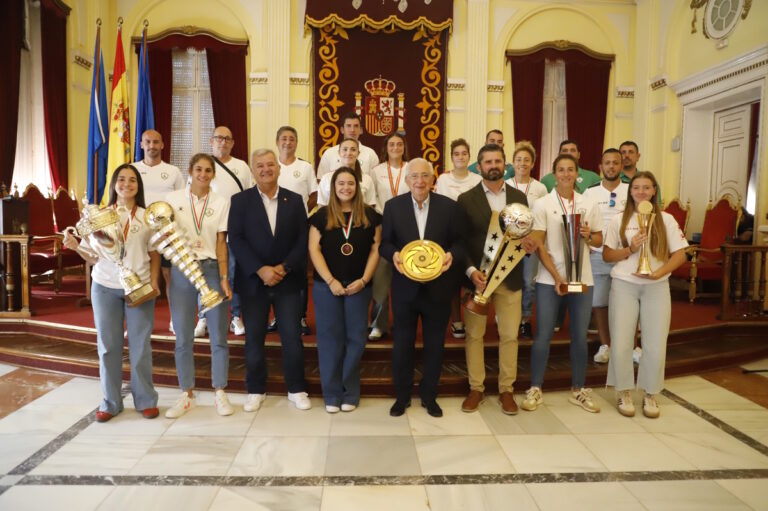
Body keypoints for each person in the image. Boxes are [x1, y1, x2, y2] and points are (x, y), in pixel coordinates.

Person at [63, 164, 161, 422]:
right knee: (108, 347)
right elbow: (92, 257)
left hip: (138, 287)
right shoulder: (99, 215)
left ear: (138, 186)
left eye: (132, 180)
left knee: (140, 347)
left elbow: (154, 253)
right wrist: (75, 247)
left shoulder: (147, 216)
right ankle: (110, 402)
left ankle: (145, 400)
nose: (126, 184)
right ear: (114, 184)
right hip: (105, 286)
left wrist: (153, 283)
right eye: (121, 179)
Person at [380, 158, 466, 418]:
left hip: (438, 288)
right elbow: (385, 243)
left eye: (425, 176)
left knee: (435, 344)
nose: (419, 181)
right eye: (414, 176)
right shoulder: (393, 207)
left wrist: (451, 254)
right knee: (402, 344)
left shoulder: (449, 207)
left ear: (433, 179)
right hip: (405, 288)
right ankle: (402, 396)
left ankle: (430, 396)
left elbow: (460, 243)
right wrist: (394, 255)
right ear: (407, 180)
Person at [228, 149, 311, 412]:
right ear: (253, 171)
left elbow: (302, 239)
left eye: (270, 165)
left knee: (292, 338)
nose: (266, 169)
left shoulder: (295, 200)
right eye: (260, 166)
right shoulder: (240, 201)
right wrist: (260, 269)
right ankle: (255, 388)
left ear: (278, 168)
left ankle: (296, 388)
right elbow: (236, 240)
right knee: (254, 338)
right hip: (253, 282)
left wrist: (283, 268)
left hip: (288, 281)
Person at [457, 143, 538, 415]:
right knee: (474, 336)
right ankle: (476, 388)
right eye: (488, 162)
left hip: (510, 279)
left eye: (498, 161)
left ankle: (506, 390)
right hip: (478, 280)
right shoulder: (466, 199)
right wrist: (470, 271)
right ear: (478, 167)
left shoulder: (518, 197)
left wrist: (528, 245)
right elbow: (460, 242)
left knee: (509, 336)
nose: (493, 166)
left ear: (506, 165)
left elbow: (523, 234)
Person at [521, 154, 603, 414]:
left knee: (579, 336)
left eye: (570, 170)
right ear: (553, 174)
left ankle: (578, 389)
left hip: (583, 279)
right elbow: (539, 245)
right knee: (543, 334)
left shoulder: (589, 203)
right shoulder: (543, 204)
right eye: (561, 170)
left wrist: (590, 236)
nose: (566, 174)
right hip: (549, 280)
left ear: (577, 174)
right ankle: (535, 387)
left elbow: (600, 240)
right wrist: (557, 277)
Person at [603, 171, 687, 419]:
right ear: (630, 192)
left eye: (646, 187)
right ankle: (624, 391)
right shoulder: (620, 219)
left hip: (656, 286)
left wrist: (659, 272)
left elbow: (680, 254)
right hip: (624, 284)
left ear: (654, 191)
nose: (641, 191)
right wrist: (631, 249)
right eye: (636, 187)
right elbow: (608, 255)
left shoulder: (667, 219)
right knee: (621, 342)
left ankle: (650, 393)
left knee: (655, 343)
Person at [163, 154, 233, 419]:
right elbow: (166, 237)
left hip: (211, 268)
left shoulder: (221, 202)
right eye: (198, 169)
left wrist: (225, 278)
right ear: (190, 171)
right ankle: (186, 394)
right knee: (183, 335)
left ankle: (220, 391)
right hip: (182, 269)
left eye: (208, 170)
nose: (203, 174)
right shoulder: (173, 200)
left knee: (218, 333)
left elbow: (221, 242)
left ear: (213, 174)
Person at [309, 167, 381, 413]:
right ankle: (331, 394)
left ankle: (350, 391)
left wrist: (364, 280)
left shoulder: (371, 216)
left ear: (357, 187)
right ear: (333, 187)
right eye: (341, 184)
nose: (345, 188)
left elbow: (376, 249)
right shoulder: (321, 215)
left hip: (359, 286)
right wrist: (330, 281)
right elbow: (314, 250)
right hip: (327, 286)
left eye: (350, 184)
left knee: (356, 338)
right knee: (329, 339)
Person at [195, 126, 252, 338]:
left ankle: (235, 316)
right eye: (219, 138)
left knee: (234, 274)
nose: (223, 142)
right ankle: (203, 317)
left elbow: (248, 198)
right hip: (207, 232)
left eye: (227, 139)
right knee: (205, 275)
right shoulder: (203, 165)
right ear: (211, 141)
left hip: (234, 231)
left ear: (233, 143)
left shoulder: (242, 166)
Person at [131, 129, 184, 330]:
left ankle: (175, 320)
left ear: (162, 145)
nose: (152, 146)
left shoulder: (173, 171)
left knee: (169, 276)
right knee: (139, 276)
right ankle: (140, 322)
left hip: (166, 233)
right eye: (148, 142)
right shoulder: (132, 170)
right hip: (139, 232)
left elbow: (180, 203)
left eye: (156, 142)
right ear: (142, 145)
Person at [583, 148, 629, 364]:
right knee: (599, 302)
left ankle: (630, 346)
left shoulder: (632, 190)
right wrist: (588, 242)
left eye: (615, 163)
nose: (611, 166)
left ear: (621, 166)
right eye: (607, 163)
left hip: (626, 256)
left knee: (628, 302)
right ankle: (605, 345)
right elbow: (583, 222)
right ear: (600, 167)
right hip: (598, 255)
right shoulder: (590, 193)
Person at [435, 138, 482, 338]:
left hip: (473, 235)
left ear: (469, 157)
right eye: (456, 154)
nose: (460, 157)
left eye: (464, 153)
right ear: (451, 157)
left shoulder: (477, 179)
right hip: (449, 236)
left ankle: (474, 317)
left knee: (471, 279)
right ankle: (456, 321)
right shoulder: (443, 180)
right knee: (452, 281)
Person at [276, 125, 318, 336]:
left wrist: (301, 213)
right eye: (284, 138)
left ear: (296, 142)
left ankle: (300, 317)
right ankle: (277, 316)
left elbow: (314, 195)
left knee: (298, 272)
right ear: (277, 142)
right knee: (276, 270)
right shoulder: (271, 165)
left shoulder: (306, 167)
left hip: (299, 227)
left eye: (292, 139)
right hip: (273, 227)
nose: (288, 142)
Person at [368, 132, 410, 341]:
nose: (395, 147)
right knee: (381, 279)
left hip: (407, 228)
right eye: (392, 144)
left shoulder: (411, 168)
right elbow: (372, 198)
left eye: (399, 144)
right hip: (383, 227)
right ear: (386, 147)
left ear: (404, 147)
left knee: (407, 278)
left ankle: (403, 323)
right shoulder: (376, 171)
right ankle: (378, 323)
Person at [505, 140, 548, 339]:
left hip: (530, 241)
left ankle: (525, 319)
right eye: (518, 159)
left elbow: (543, 215)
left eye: (527, 160)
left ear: (533, 164)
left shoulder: (540, 188)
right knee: (507, 280)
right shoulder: (505, 185)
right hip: (508, 242)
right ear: (512, 163)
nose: (522, 163)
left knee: (528, 282)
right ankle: (506, 318)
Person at [316, 111, 380, 180]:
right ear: (342, 130)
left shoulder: (370, 154)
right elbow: (320, 181)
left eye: (356, 126)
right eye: (348, 126)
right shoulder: (329, 153)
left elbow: (376, 184)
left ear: (361, 130)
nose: (352, 130)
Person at [317, 138, 377, 208]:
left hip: (359, 218)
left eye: (353, 150)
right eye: (345, 149)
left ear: (358, 153)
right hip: (332, 218)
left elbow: (371, 206)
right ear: (339, 153)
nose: (349, 153)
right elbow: (321, 206)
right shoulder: (327, 178)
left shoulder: (367, 179)